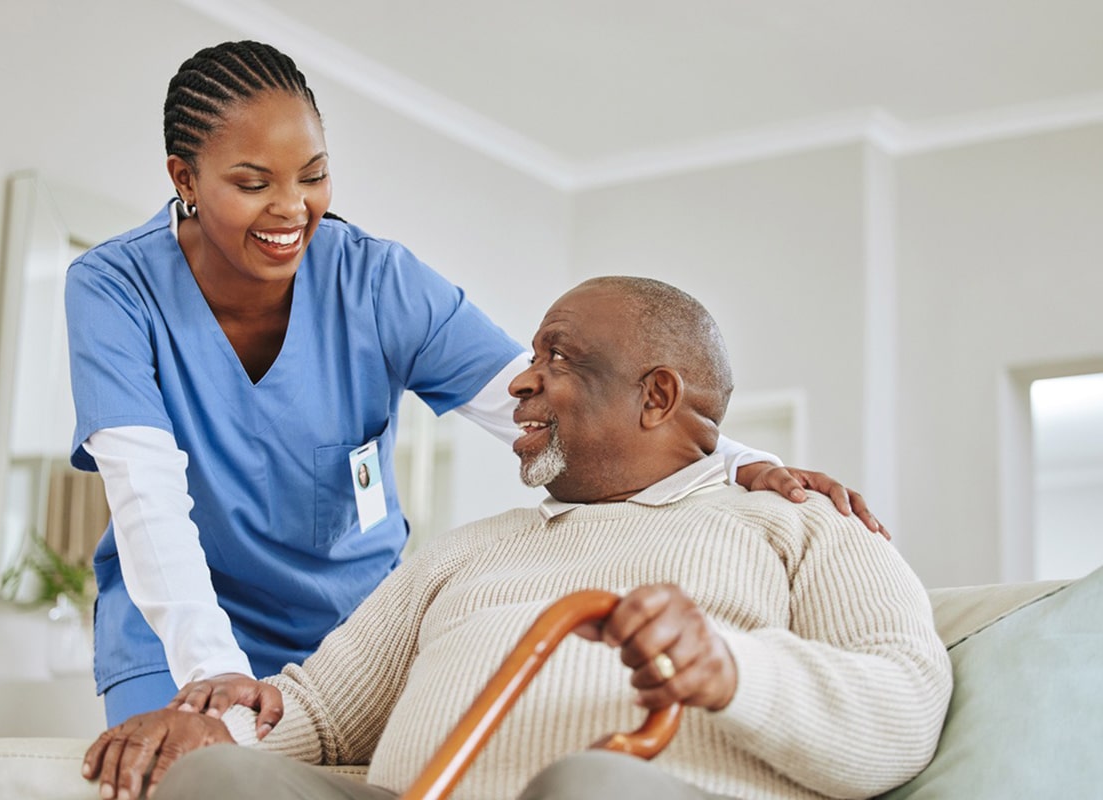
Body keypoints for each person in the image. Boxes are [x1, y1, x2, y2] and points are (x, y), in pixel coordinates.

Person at [66, 40, 885, 728]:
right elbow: (146, 499)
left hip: (347, 635)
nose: (293, 209)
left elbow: (541, 403)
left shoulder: (376, 282)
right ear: (183, 177)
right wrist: (212, 666)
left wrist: (735, 459)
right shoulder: (112, 290)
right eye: (253, 183)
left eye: (313, 175)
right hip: (175, 628)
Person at [82, 277, 950, 800]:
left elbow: (905, 705)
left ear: (656, 396)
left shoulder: (798, 522)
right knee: (217, 781)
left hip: (631, 792)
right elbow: (315, 711)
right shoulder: (468, 550)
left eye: (560, 358)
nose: (522, 380)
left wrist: (731, 669)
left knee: (591, 786)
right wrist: (210, 732)